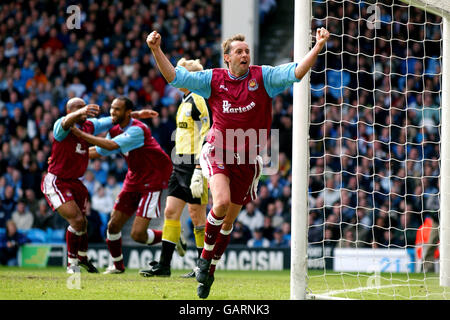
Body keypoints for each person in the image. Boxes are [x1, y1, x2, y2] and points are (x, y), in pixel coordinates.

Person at [146, 26, 330, 298]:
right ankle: (204, 260)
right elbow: (175, 76)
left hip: (248, 160)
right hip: (218, 150)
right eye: (239, 52)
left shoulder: (263, 76)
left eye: (247, 51)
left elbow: (296, 72)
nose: (245, 55)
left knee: (229, 221)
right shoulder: (212, 79)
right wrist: (155, 49)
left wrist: (317, 46)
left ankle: (209, 269)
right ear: (227, 58)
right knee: (219, 203)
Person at [42, 97, 155, 273]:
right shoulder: (62, 127)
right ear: (70, 111)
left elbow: (112, 120)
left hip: (75, 182)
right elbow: (65, 122)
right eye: (78, 108)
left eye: (84, 106)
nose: (83, 110)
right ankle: (72, 265)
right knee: (77, 221)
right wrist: (80, 112)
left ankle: (82, 257)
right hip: (57, 181)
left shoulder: (89, 125)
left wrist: (135, 114)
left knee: (83, 223)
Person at [71, 96, 173, 274]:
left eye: (117, 109)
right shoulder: (116, 128)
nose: (112, 112)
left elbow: (110, 145)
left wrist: (81, 136)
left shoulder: (138, 130)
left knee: (138, 235)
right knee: (113, 226)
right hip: (133, 178)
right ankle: (118, 266)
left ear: (127, 113)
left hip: (153, 178)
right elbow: (100, 150)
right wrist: (71, 156)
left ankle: (172, 237)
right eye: (111, 108)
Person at [139, 58, 210, 278]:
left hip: (193, 164)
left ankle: (203, 266)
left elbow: (208, 131)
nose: (175, 75)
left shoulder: (199, 99)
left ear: (189, 77)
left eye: (180, 72)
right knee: (170, 212)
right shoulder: (185, 100)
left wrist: (199, 165)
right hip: (179, 164)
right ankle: (164, 265)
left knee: (197, 216)